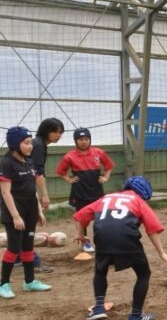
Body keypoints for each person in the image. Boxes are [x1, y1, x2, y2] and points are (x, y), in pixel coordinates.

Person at [73, 176, 167, 320]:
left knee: (100, 271)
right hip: (127, 237)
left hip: (102, 237)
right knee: (143, 274)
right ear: (144, 193)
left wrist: (80, 235)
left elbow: (81, 216)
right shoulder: (138, 201)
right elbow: (152, 229)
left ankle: (98, 307)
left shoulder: (106, 198)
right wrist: (161, 253)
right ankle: (136, 317)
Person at [0, 127, 52, 299]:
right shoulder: (6, 163)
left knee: (28, 247)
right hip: (14, 211)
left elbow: (32, 190)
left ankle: (29, 282)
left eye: (31, 143)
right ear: (15, 144)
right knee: (14, 248)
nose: (30, 146)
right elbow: (5, 193)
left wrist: (39, 211)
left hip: (30, 210)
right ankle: (3, 284)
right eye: (26, 143)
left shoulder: (29, 162)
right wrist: (15, 216)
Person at [56, 127, 115, 253]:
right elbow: (61, 172)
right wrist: (69, 180)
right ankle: (85, 242)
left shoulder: (98, 152)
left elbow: (109, 166)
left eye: (86, 139)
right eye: (81, 139)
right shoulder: (69, 156)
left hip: (97, 191)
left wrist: (106, 177)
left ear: (90, 140)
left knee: (101, 217)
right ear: (75, 141)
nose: (84, 142)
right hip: (80, 192)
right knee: (82, 217)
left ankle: (102, 241)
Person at [21, 117, 64, 274]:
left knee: (22, 227)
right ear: (46, 131)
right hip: (22, 191)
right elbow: (37, 173)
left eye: (61, 132)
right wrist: (44, 195)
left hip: (21, 189)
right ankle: (33, 262)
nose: (59, 135)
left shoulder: (38, 144)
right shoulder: (38, 145)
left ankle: (21, 258)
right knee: (27, 227)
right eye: (56, 132)